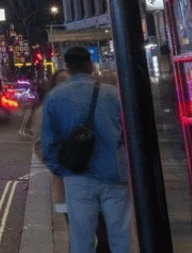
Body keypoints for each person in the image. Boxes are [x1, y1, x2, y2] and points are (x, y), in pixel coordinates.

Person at [40, 47, 132, 253]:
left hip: (77, 178)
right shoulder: (112, 94)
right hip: (114, 174)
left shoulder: (55, 97)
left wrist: (63, 171)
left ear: (67, 67)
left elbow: (47, 144)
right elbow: (130, 133)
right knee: (119, 237)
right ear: (90, 65)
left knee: (81, 239)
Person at [32, 69, 72, 215]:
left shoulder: (86, 105)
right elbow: (40, 146)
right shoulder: (44, 111)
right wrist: (61, 170)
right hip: (65, 186)